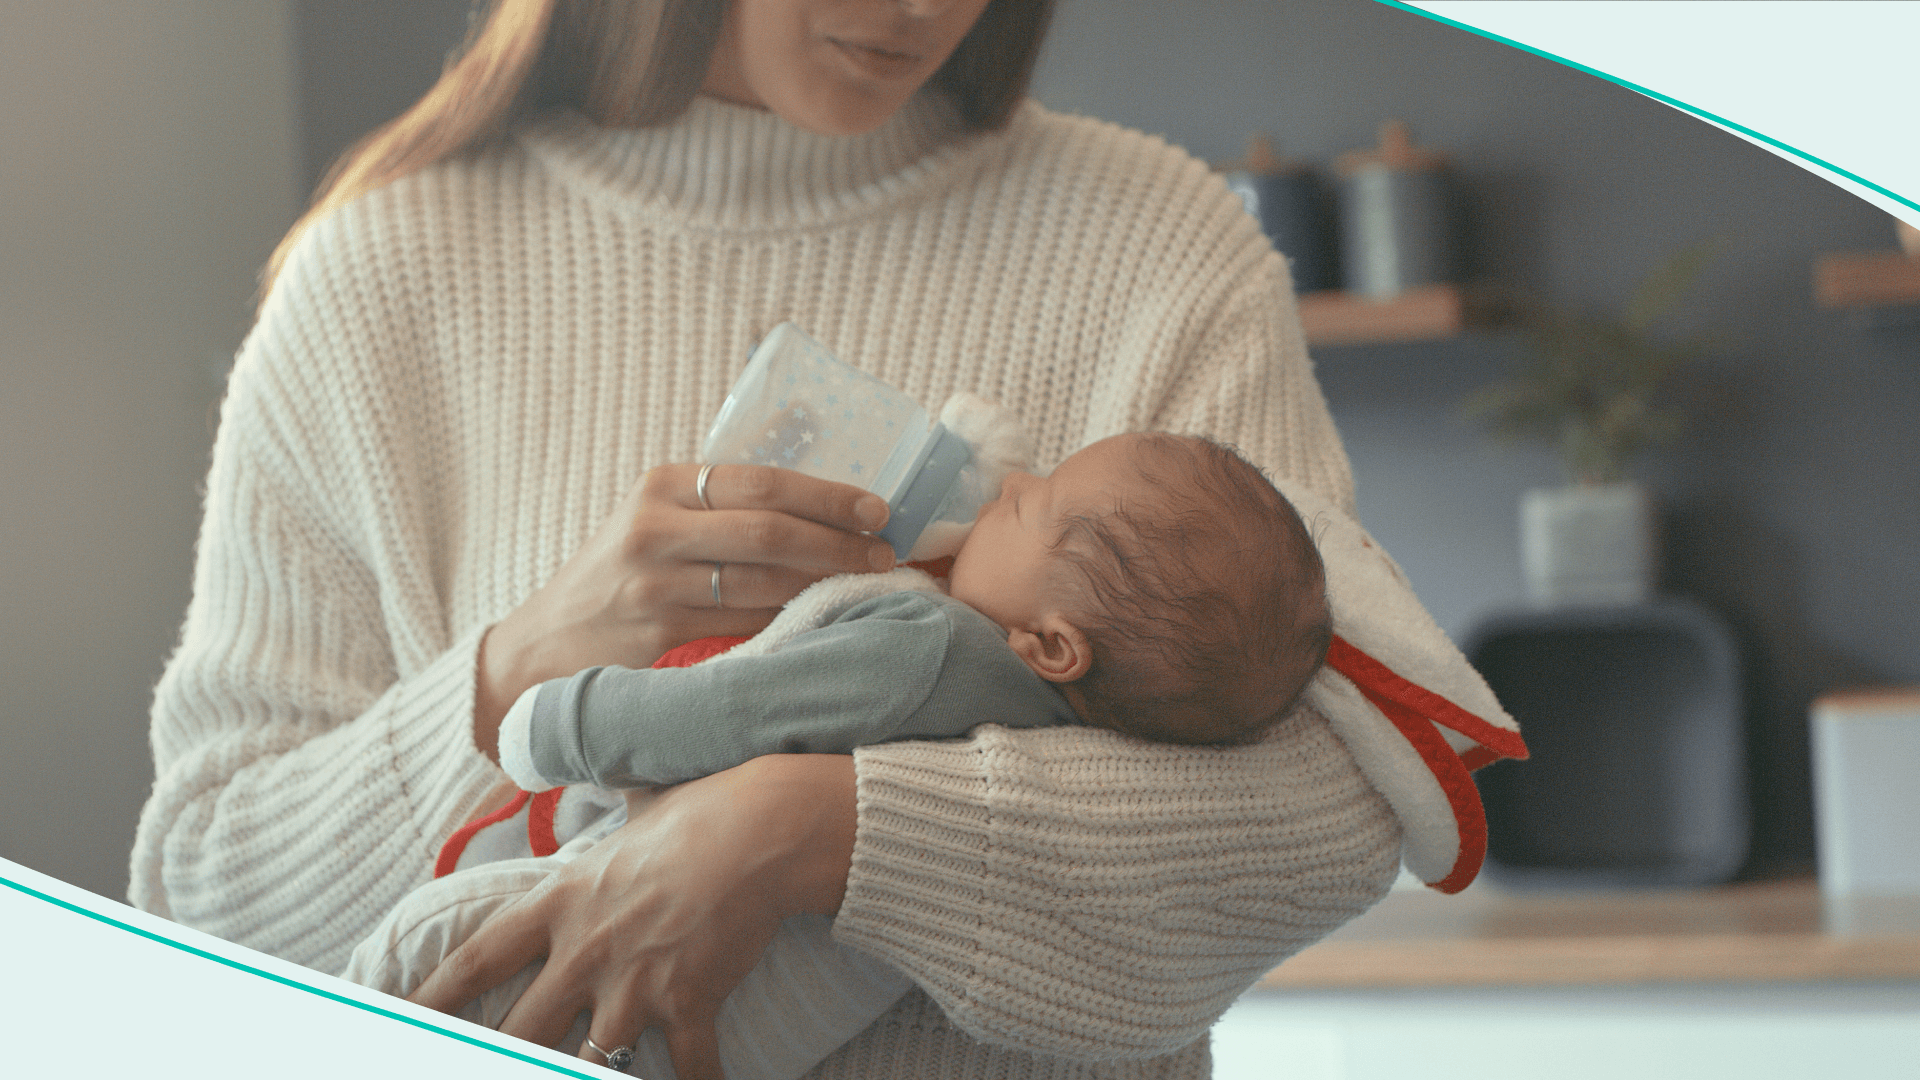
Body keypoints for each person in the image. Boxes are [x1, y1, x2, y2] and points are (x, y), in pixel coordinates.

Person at [130, 2, 1405, 1078]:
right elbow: (201, 900)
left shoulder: (1158, 246)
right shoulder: (380, 276)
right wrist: (520, 664)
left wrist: (818, 828)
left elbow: (1338, 802)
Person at [345, 431, 1332, 1079]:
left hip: (606, 925)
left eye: (1031, 508)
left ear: (1052, 643)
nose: (1016, 483)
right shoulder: (1074, 727)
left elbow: (730, 711)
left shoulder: (928, 644)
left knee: (421, 959)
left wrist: (562, 722)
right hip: (778, 1022)